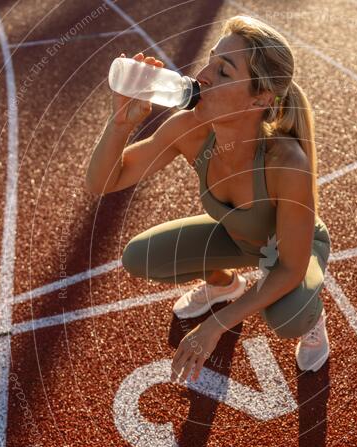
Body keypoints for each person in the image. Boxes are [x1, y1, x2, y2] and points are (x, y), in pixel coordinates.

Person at [85, 15, 332, 383]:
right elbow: (103, 182)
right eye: (211, 60)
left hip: (292, 252)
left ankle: (314, 316)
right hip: (236, 238)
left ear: (260, 99)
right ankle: (224, 284)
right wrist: (119, 124)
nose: (203, 75)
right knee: (141, 257)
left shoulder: (286, 162)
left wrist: (215, 326)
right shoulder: (189, 129)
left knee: (289, 315)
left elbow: (290, 268)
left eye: (224, 71)